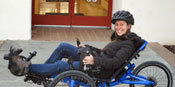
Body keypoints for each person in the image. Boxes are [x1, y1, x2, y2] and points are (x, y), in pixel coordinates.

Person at [6, 10, 144, 79]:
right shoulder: (120, 38)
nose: (118, 27)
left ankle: (29, 69)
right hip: (95, 61)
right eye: (117, 25)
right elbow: (104, 53)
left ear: (129, 26)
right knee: (63, 46)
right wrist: (87, 47)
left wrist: (93, 60)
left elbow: (114, 63)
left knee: (60, 66)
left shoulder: (127, 44)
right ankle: (43, 72)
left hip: (100, 69)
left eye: (122, 25)